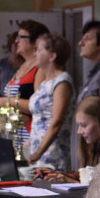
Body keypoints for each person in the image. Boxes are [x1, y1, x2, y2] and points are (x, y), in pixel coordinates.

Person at [34, 95, 100, 183]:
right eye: (79, 125)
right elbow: (81, 177)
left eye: (84, 125)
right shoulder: (93, 146)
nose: (79, 131)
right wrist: (56, 174)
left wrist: (71, 181)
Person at [0, 19, 49, 138]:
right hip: (15, 133)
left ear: (34, 42)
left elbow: (38, 106)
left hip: (30, 133)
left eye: (21, 37)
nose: (16, 41)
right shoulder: (23, 65)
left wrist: (8, 101)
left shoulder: (40, 68)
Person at [27, 33, 74, 169]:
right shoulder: (45, 82)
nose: (34, 53)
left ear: (52, 56)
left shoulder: (62, 81)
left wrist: (38, 152)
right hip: (39, 151)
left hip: (52, 154)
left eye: (39, 50)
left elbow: (57, 121)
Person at [0, 31, 23, 103]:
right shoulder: (1, 64)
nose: (17, 47)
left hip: (20, 101)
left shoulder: (27, 64)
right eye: (15, 44)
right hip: (3, 103)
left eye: (19, 45)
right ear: (10, 45)